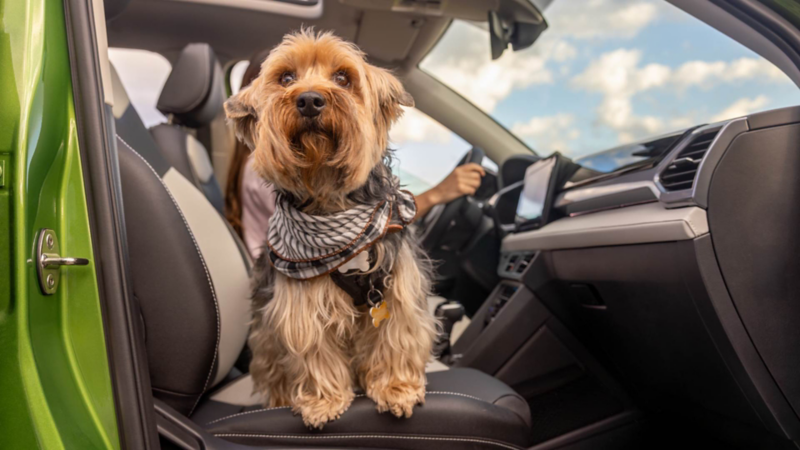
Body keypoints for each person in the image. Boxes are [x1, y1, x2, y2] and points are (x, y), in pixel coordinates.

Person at [224, 51, 486, 260]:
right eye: (286, 80)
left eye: (341, 79)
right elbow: (331, 234)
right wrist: (438, 194)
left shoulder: (251, 168)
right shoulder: (263, 172)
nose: (310, 95)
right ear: (255, 111)